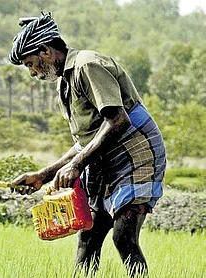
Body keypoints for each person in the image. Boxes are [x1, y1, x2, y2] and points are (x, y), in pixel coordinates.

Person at [9, 12, 166, 277]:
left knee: (123, 237)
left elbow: (118, 120)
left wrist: (77, 166)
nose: (33, 73)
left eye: (31, 64)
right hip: (104, 159)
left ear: (45, 51)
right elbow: (86, 142)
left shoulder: (87, 66)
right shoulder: (66, 82)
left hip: (135, 155)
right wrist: (43, 175)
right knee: (88, 236)